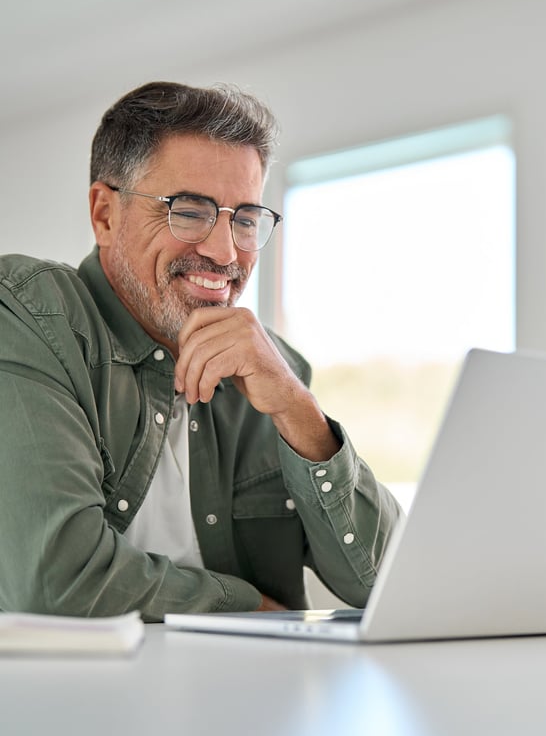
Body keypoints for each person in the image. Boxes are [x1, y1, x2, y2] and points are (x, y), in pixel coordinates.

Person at [0, 81, 402, 621]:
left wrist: (298, 410)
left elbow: (389, 582)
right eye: (188, 211)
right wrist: (247, 605)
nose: (224, 251)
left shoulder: (274, 371)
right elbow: (55, 581)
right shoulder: (31, 315)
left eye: (245, 219)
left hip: (254, 701)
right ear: (105, 215)